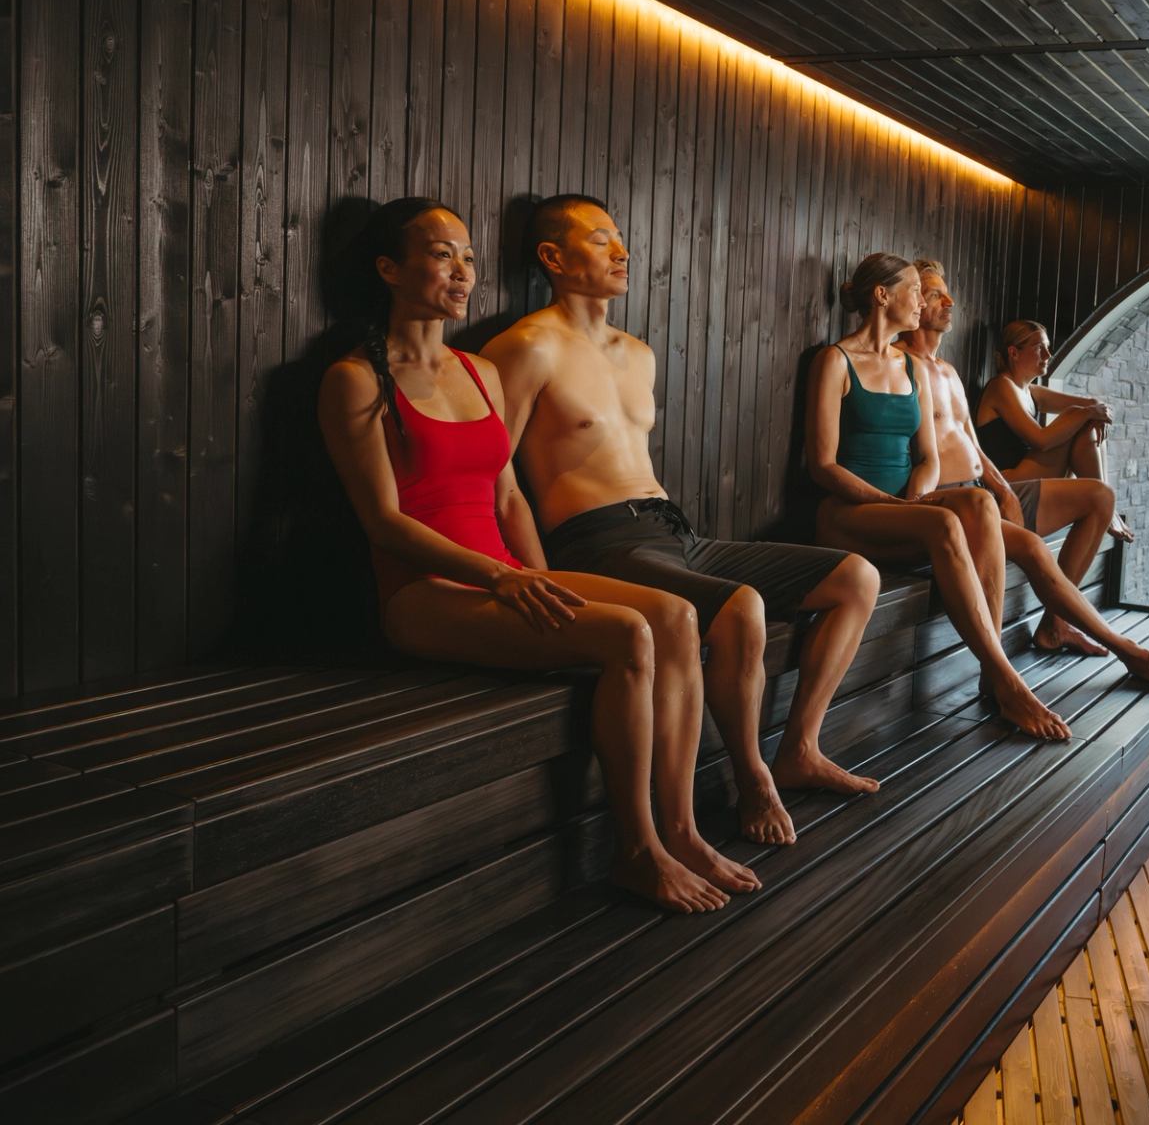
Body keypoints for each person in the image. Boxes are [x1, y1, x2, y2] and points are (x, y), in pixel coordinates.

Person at [316, 197, 756, 914]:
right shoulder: (358, 380)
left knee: (676, 616)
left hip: (504, 575)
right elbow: (384, 522)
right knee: (627, 631)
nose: (460, 269)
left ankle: (683, 829)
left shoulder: (478, 372)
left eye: (466, 254)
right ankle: (637, 851)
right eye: (439, 253)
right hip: (425, 594)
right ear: (389, 269)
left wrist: (541, 579)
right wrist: (502, 578)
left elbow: (511, 499)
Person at [483, 195, 884, 847]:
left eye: (620, 240)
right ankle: (752, 774)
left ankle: (801, 747)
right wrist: (536, 573)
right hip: (597, 540)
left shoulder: (636, 353)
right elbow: (498, 478)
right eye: (601, 240)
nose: (623, 253)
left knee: (855, 578)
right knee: (742, 608)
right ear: (553, 258)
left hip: (675, 532)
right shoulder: (525, 348)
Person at [806, 252, 1072, 742]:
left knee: (979, 504)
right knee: (947, 524)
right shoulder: (835, 361)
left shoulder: (910, 367)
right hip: (847, 514)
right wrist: (902, 509)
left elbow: (928, 457)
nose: (924, 302)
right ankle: (1005, 679)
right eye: (914, 290)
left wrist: (914, 503)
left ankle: (995, 673)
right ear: (883, 296)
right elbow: (822, 465)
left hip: (900, 511)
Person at [901, 260, 1149, 685]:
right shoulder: (905, 366)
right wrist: (913, 505)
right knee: (1042, 529)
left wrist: (1003, 490)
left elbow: (971, 446)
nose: (949, 301)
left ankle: (1084, 643)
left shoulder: (949, 372)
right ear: (909, 302)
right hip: (951, 501)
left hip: (981, 492)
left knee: (1036, 547)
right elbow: (928, 453)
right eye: (934, 293)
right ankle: (1116, 655)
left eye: (946, 292)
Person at [976, 320, 1134, 542]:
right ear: (1014, 352)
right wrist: (1086, 413)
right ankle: (1108, 507)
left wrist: (1093, 413)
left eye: (1048, 347)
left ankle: (1107, 504)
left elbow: (1092, 403)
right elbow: (1041, 441)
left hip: (1028, 474)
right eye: (1040, 348)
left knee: (1086, 421)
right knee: (1082, 419)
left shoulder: (1030, 392)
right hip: (1007, 481)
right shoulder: (1001, 386)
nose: (1048, 355)